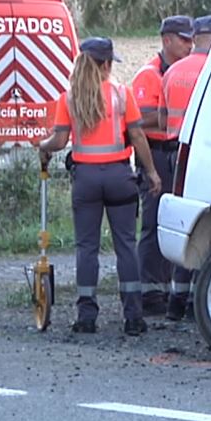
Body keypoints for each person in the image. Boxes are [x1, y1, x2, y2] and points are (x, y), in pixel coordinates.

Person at [38, 37, 162, 336]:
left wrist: (42, 147)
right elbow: (138, 137)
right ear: (106, 64)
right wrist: (152, 172)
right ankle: (133, 316)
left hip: (86, 181)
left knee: (87, 248)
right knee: (126, 247)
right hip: (120, 178)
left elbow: (57, 141)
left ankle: (86, 316)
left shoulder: (69, 98)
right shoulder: (122, 94)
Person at [159, 14, 211, 321]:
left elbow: (161, 120)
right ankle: (199, 303)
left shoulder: (172, 72)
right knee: (208, 228)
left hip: (173, 155)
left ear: (195, 37)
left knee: (183, 227)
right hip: (205, 158)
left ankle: (175, 302)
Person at [133, 15, 193, 316]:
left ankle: (168, 289)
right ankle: (150, 294)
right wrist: (171, 115)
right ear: (166, 39)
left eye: (191, 39)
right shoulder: (149, 75)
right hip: (154, 153)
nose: (189, 44)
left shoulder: (182, 70)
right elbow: (138, 122)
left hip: (175, 152)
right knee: (154, 223)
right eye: (183, 39)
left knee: (174, 224)